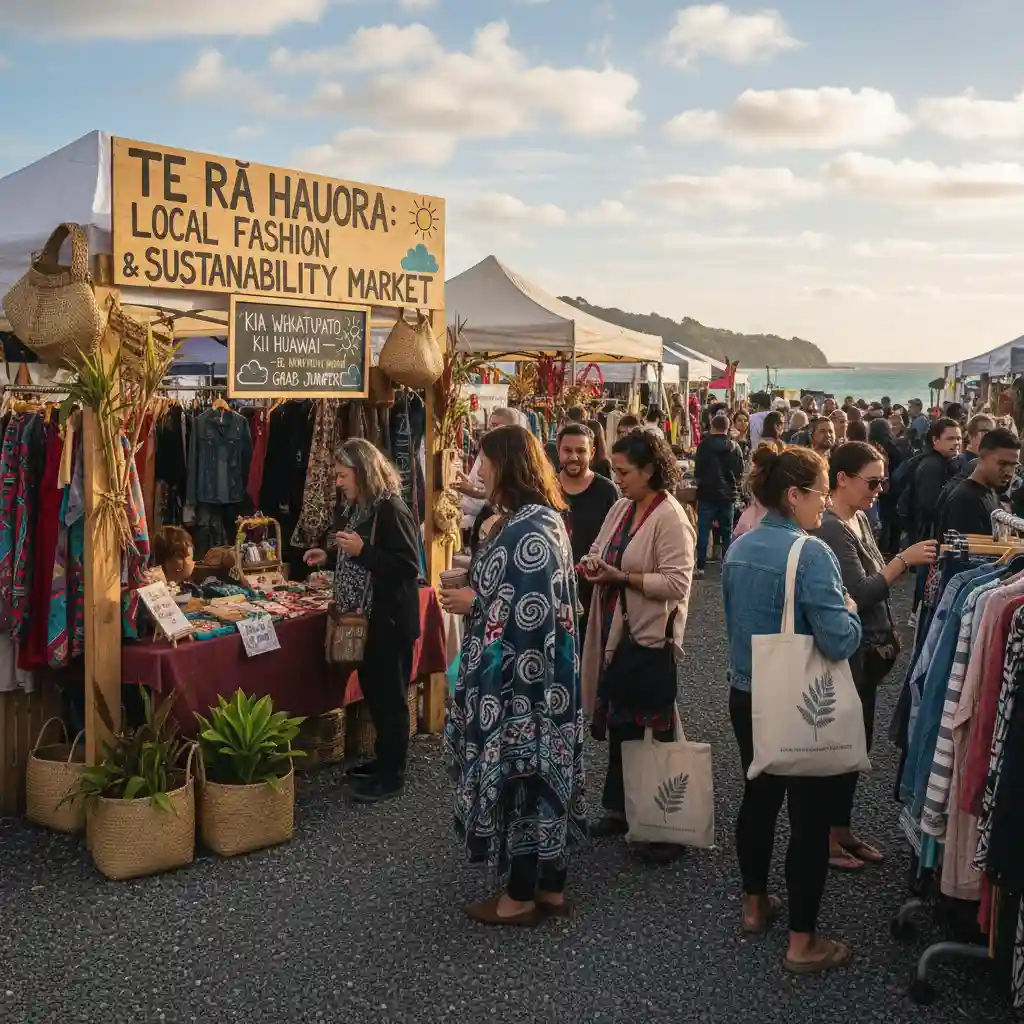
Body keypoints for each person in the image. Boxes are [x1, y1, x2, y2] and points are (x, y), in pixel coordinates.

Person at [722, 446, 861, 973]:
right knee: (809, 818)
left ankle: (754, 904)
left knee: (758, 797)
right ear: (793, 495)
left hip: (747, 690)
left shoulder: (738, 548)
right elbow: (837, 640)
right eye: (821, 491)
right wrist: (848, 611)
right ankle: (803, 942)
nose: (825, 502)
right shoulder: (813, 553)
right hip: (799, 698)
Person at [441, 425, 586, 926]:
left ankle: (519, 896)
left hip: (523, 687)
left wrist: (473, 602)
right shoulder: (537, 519)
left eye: (483, 459)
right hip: (543, 680)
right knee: (537, 773)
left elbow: (530, 607)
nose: (477, 468)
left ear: (505, 463)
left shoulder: (527, 529)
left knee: (521, 774)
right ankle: (548, 886)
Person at [816, 442, 937, 872]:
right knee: (839, 748)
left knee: (854, 747)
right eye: (872, 482)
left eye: (882, 481)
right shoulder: (832, 528)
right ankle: (828, 840)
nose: (879, 490)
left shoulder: (859, 518)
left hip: (865, 654)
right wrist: (903, 561)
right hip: (848, 654)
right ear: (842, 479)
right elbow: (858, 593)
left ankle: (840, 830)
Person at [581, 430, 696, 862]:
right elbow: (599, 548)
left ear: (649, 470)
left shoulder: (670, 518)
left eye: (623, 471)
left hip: (647, 637)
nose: (618, 478)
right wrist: (593, 564)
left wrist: (620, 578)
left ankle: (668, 823)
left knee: (657, 730)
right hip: (617, 632)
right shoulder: (621, 507)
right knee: (621, 723)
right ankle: (621, 809)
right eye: (615, 470)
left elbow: (677, 583)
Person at [303, 439, 421, 803]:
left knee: (390, 698)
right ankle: (382, 762)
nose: (338, 482)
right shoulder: (361, 507)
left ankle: (392, 775)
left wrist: (363, 552)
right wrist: (330, 553)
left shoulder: (392, 509)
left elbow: (407, 566)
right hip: (366, 619)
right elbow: (353, 548)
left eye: (342, 475)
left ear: (362, 472)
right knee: (376, 693)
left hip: (388, 619)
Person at [557, 423, 619, 645]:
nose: (574, 457)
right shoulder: (546, 489)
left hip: (594, 593)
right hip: (554, 593)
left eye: (581, 451)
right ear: (559, 451)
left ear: (592, 453)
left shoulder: (607, 491)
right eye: (568, 450)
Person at [938, 427, 1021, 537]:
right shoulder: (966, 500)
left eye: (1013, 465)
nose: (1009, 472)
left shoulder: (990, 493)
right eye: (1003, 463)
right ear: (981, 457)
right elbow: (968, 552)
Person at [694, 413, 744, 579]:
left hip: (707, 494)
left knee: (703, 531)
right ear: (728, 427)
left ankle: (700, 567)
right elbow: (740, 471)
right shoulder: (734, 447)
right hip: (728, 495)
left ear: (712, 425)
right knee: (726, 533)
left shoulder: (703, 446)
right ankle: (725, 567)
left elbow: (698, 471)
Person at [455, 407, 520, 532]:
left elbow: (504, 491)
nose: (491, 429)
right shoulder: (488, 448)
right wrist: (468, 484)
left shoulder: (513, 456)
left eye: (495, 425)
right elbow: (480, 480)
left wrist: (474, 491)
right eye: (491, 425)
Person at [911, 417, 962, 542]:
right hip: (930, 536)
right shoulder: (931, 466)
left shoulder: (944, 462)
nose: (956, 443)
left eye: (958, 438)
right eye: (950, 439)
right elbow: (932, 507)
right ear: (935, 440)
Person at [868, 419, 904, 557]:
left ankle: (882, 551)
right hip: (896, 488)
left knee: (882, 519)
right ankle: (893, 550)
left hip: (881, 486)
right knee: (894, 520)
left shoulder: (875, 447)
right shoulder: (895, 445)